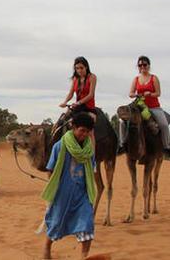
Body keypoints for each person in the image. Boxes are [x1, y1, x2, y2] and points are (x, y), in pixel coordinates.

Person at [40, 113, 96, 260]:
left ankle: (84, 256)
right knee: (56, 222)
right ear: (73, 127)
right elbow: (51, 169)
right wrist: (54, 189)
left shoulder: (89, 150)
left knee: (87, 223)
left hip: (82, 193)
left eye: (87, 132)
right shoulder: (59, 146)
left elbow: (92, 168)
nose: (84, 134)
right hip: (62, 192)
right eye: (81, 130)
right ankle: (47, 247)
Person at [120, 55, 170, 156]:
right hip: (139, 107)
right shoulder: (136, 79)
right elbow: (130, 93)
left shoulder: (154, 78)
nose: (142, 67)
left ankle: (166, 147)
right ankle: (123, 144)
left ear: (149, 66)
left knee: (164, 125)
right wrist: (136, 95)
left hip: (154, 107)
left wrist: (150, 94)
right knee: (122, 121)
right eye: (140, 65)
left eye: (144, 65)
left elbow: (158, 93)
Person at [59, 56, 97, 121]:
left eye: (81, 68)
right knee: (62, 120)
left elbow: (91, 95)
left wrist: (78, 103)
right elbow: (71, 93)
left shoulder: (92, 77)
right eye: (77, 68)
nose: (79, 70)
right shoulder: (75, 79)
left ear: (86, 67)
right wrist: (65, 102)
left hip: (89, 107)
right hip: (78, 106)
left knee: (92, 120)